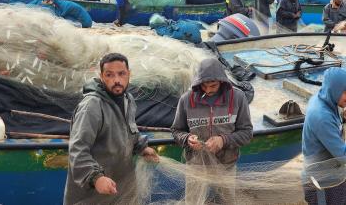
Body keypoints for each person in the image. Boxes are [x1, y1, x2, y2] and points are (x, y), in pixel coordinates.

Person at [63, 53, 159, 205]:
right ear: (101, 76)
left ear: (129, 74)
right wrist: (96, 178)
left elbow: (129, 131)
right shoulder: (92, 106)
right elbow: (77, 149)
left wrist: (141, 147)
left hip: (121, 189)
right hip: (93, 195)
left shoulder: (128, 100)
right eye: (109, 75)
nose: (116, 80)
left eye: (121, 74)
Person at [171, 58, 253, 204]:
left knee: (227, 201)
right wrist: (187, 139)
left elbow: (247, 133)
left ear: (222, 81)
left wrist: (223, 140)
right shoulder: (186, 100)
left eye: (213, 85)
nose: (208, 90)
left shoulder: (238, 97)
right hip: (196, 166)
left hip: (226, 164)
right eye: (204, 86)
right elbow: (176, 130)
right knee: (193, 202)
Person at [302, 67, 346, 205]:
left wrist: (343, 118)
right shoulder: (321, 117)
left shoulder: (324, 97)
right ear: (335, 89)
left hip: (332, 172)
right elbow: (343, 156)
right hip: (321, 182)